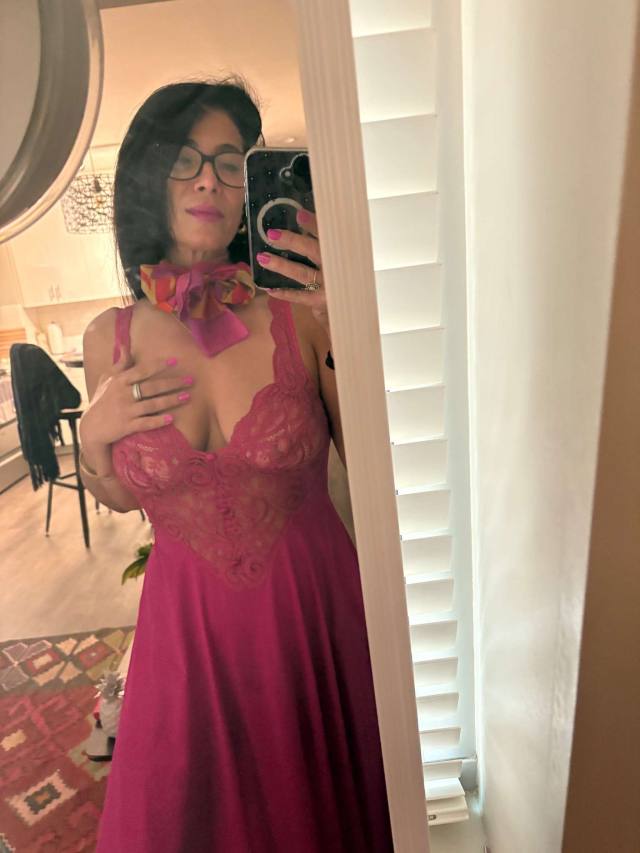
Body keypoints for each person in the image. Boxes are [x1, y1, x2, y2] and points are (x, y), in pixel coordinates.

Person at [79, 78, 394, 852]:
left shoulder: (300, 311)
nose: (209, 181)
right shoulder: (107, 338)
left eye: (229, 161)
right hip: (185, 640)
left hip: (312, 622)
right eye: (185, 159)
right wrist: (91, 438)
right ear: (149, 178)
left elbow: (374, 465)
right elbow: (120, 496)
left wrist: (346, 323)